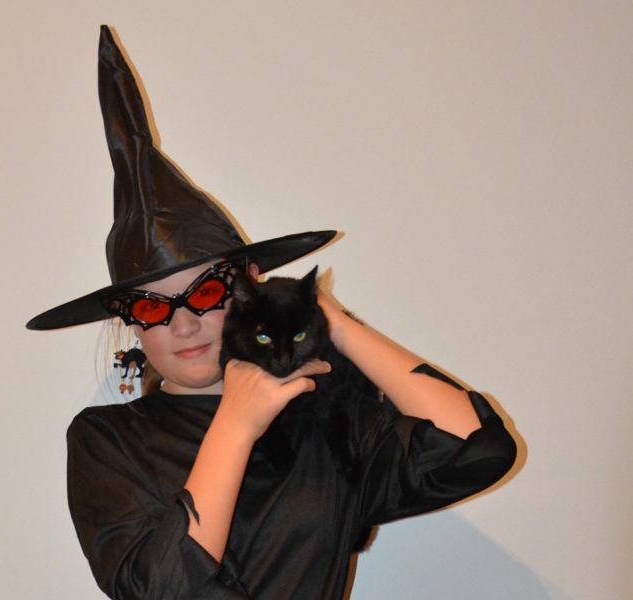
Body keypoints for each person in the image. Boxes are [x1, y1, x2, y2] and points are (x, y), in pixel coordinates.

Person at [28, 26, 517, 600]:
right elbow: (159, 591)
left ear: (247, 291)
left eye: (205, 293)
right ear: (132, 322)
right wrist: (235, 425)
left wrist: (329, 320)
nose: (182, 324)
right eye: (150, 306)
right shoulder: (108, 440)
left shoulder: (323, 420)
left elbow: (477, 449)